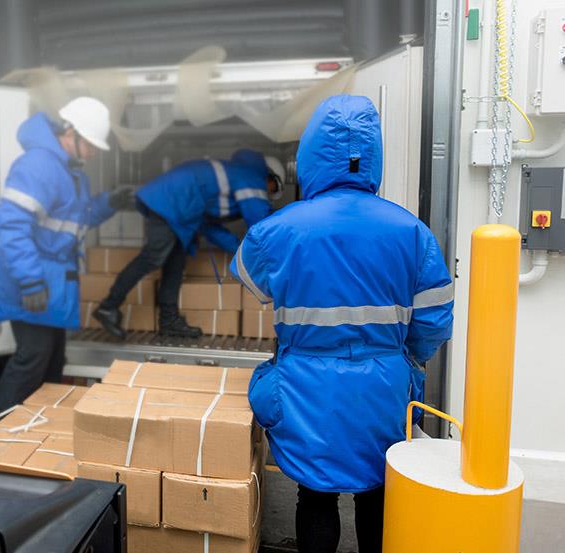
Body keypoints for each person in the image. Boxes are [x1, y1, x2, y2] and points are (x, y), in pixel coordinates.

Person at [230, 95, 453, 553]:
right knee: (378, 490)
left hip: (306, 387)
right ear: (373, 155)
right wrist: (405, 360)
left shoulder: (277, 230)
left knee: (315, 493)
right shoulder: (412, 232)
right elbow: (434, 321)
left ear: (310, 156)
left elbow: (251, 280)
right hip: (384, 387)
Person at [0, 97, 133, 415]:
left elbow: (75, 220)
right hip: (32, 282)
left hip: (50, 283)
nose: (92, 153)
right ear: (69, 131)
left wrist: (108, 203)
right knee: (32, 359)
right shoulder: (39, 165)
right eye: (89, 144)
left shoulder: (70, 172)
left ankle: (37, 431)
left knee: (51, 362)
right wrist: (30, 280)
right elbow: (11, 226)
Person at [93, 150, 285, 339]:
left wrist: (238, 250)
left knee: (175, 264)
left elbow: (209, 227)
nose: (269, 193)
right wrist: (273, 261)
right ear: (268, 175)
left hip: (179, 206)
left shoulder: (234, 177)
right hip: (171, 201)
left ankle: (169, 321)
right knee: (152, 258)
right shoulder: (250, 177)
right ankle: (108, 307)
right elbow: (261, 226)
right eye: (273, 187)